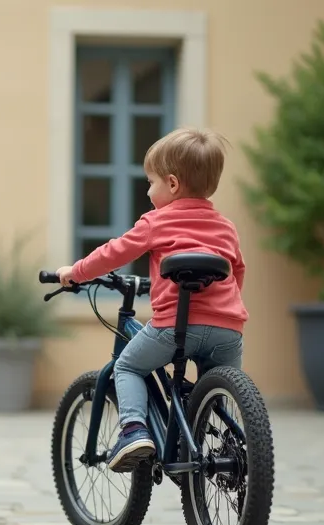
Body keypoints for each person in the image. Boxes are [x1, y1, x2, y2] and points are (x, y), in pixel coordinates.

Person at [56, 127, 247, 473]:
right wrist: (225, 310)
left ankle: (133, 431)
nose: (147, 190)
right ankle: (227, 439)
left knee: (127, 366)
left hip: (175, 328)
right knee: (215, 390)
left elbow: (113, 253)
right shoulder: (226, 227)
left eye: (151, 182)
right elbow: (238, 271)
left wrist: (76, 271)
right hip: (228, 328)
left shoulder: (156, 222)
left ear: (172, 184)